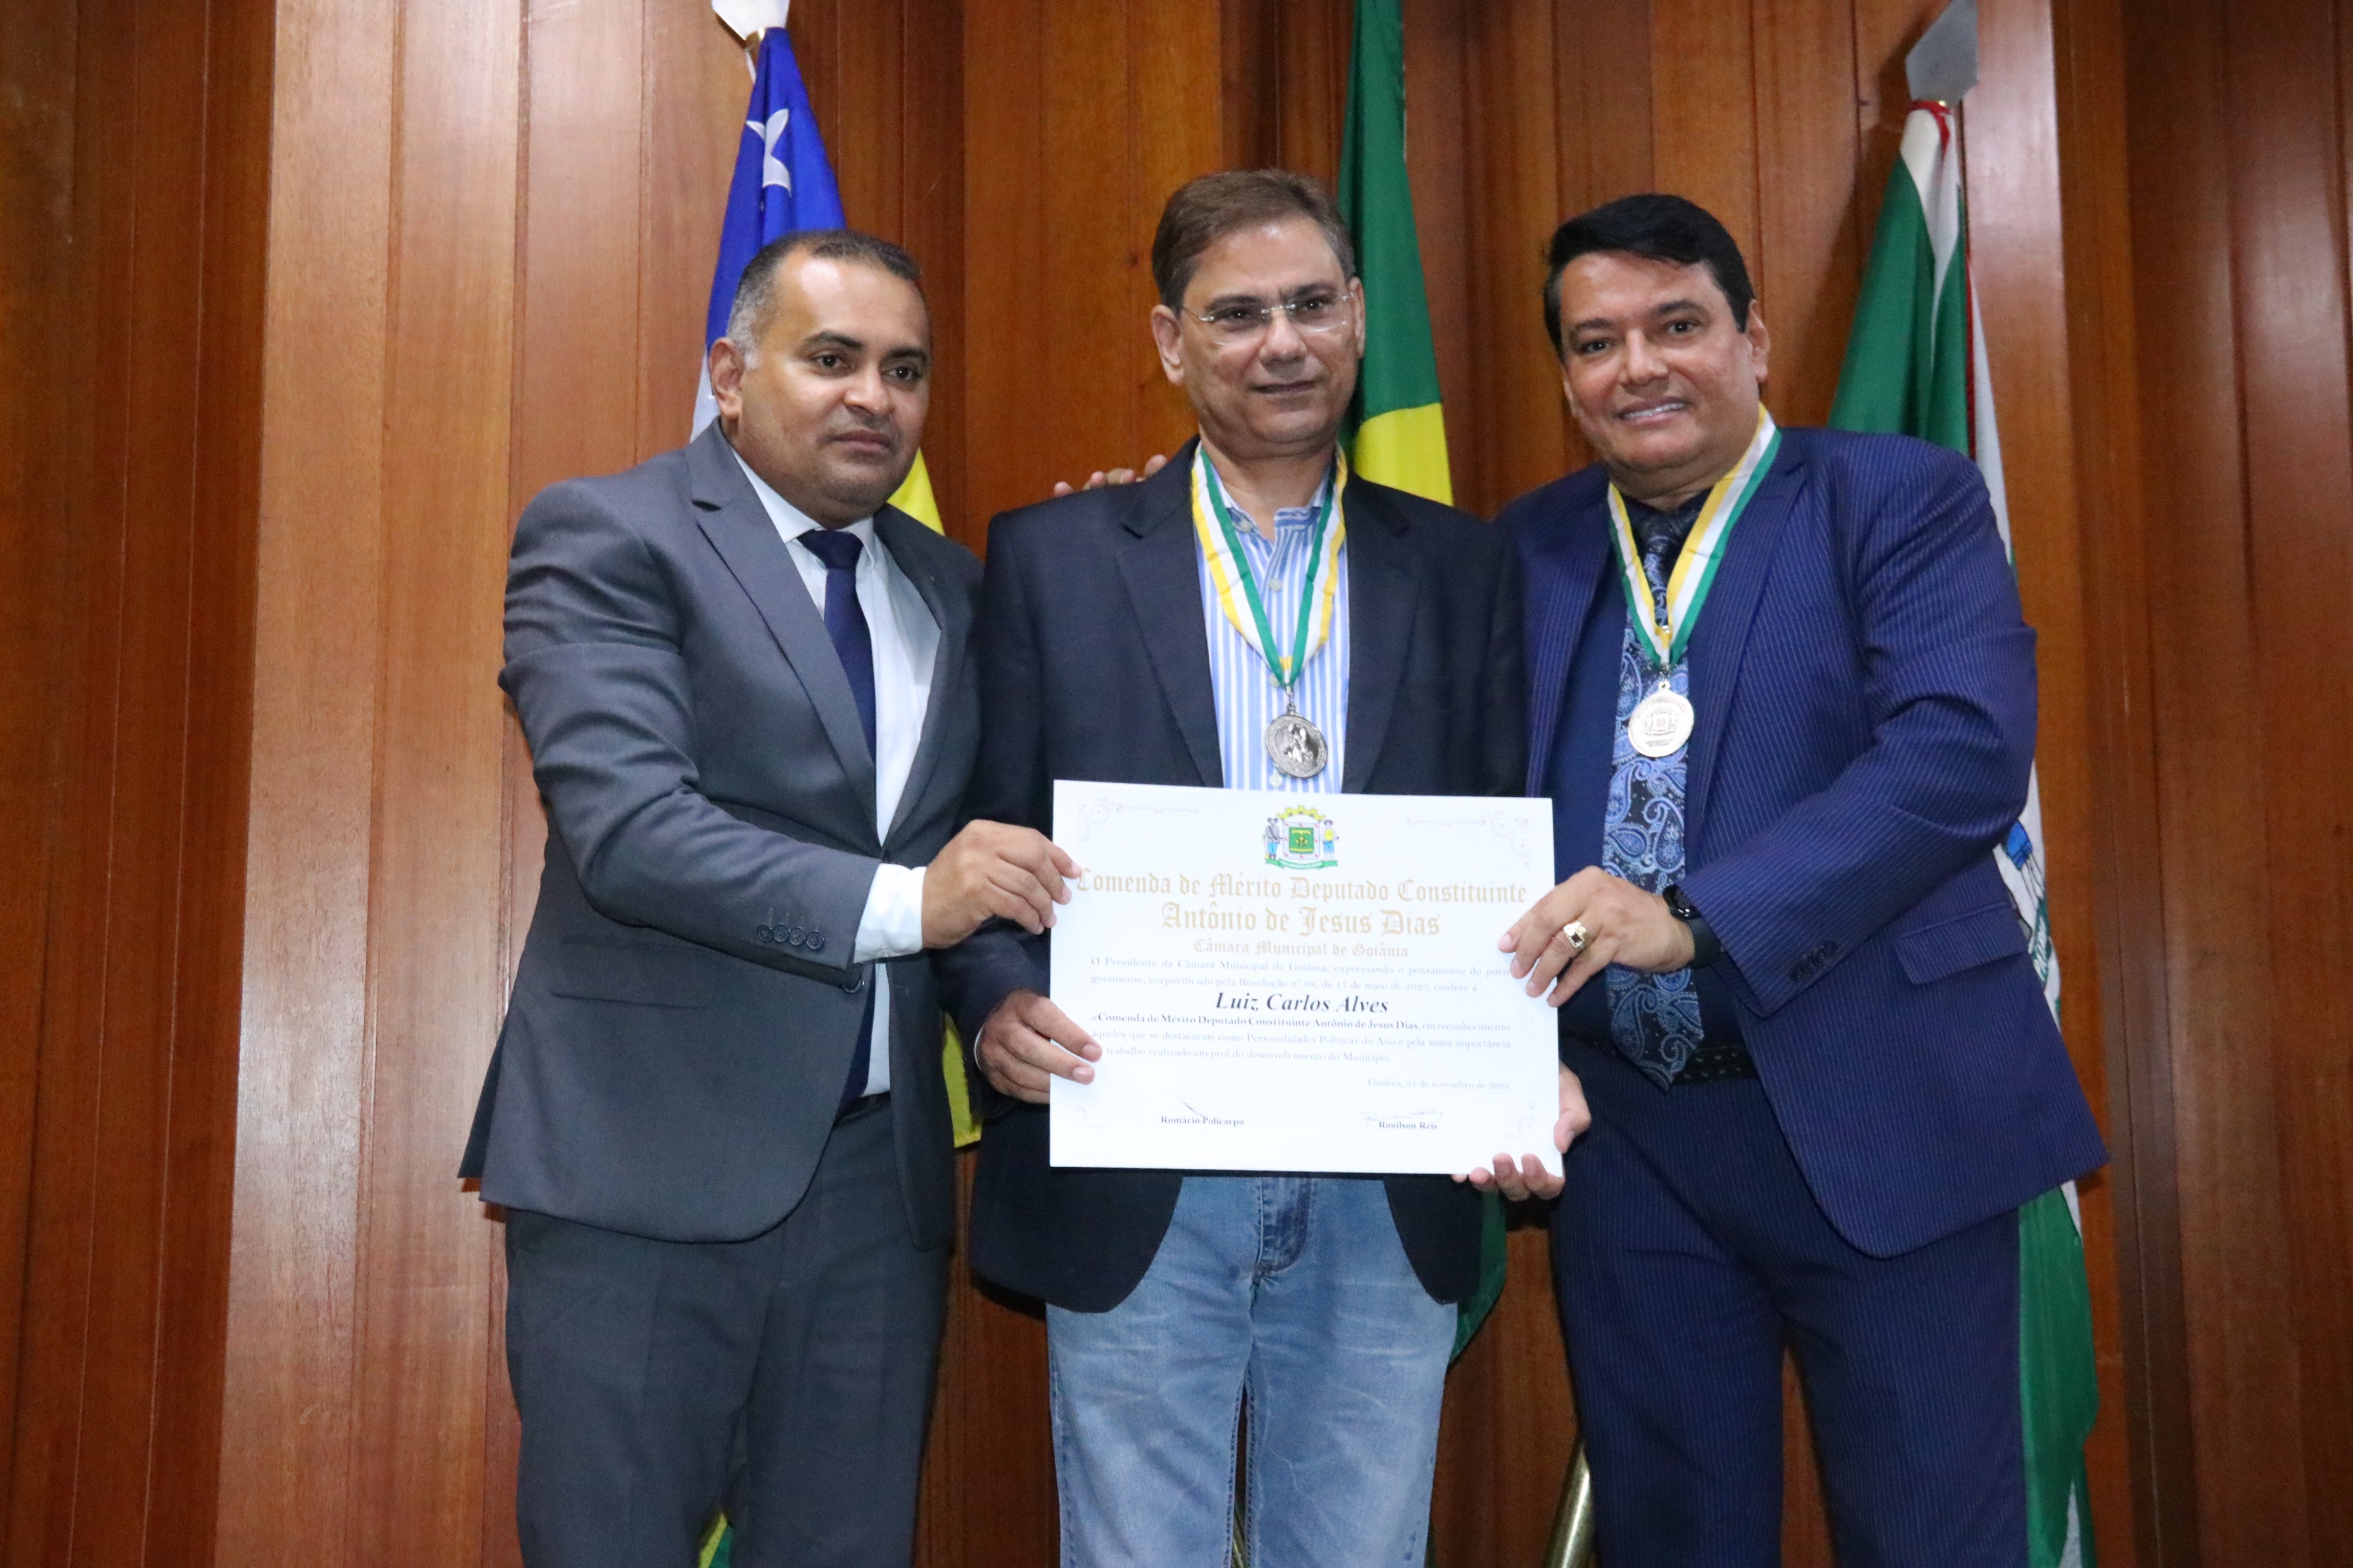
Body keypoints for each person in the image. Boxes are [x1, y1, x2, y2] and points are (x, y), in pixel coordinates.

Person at [938, 169, 1576, 1568]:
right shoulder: (1050, 558)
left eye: (1308, 305)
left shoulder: (1465, 568)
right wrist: (994, 1008)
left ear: (1357, 319)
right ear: (1171, 343)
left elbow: (1500, 841)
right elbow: (984, 841)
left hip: (1387, 1166)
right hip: (1135, 1150)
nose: (1279, 342)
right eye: (1236, 315)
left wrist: (1523, 1054)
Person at [1488, 194, 2107, 1566]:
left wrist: (1695, 920)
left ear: (1753, 338)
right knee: (1671, 1537)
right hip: (1629, 1145)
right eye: (1596, 341)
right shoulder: (1521, 549)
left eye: (1677, 325)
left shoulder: (1898, 497)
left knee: (1933, 1535)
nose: (1638, 366)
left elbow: (1958, 752)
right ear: (1567, 377)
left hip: (1884, 1102)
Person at [461, 228, 1076, 1568]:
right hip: (642, 1174)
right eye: (832, 358)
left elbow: (1010, 832)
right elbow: (632, 832)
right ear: (731, 376)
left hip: (878, 1194)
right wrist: (913, 903)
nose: (874, 397)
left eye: (905, 370)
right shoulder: (610, 533)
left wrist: (1127, 552)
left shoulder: (957, 589)